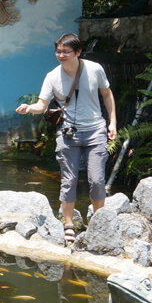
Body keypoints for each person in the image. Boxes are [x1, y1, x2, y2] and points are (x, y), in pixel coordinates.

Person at [15, 33, 117, 244]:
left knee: (97, 179)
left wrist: (112, 122)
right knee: (68, 180)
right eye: (58, 51)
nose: (60, 55)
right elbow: (42, 105)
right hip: (68, 132)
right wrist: (28, 108)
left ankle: (97, 223)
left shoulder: (94, 69)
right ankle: (68, 224)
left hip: (95, 130)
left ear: (78, 52)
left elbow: (107, 94)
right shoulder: (52, 76)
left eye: (65, 51)